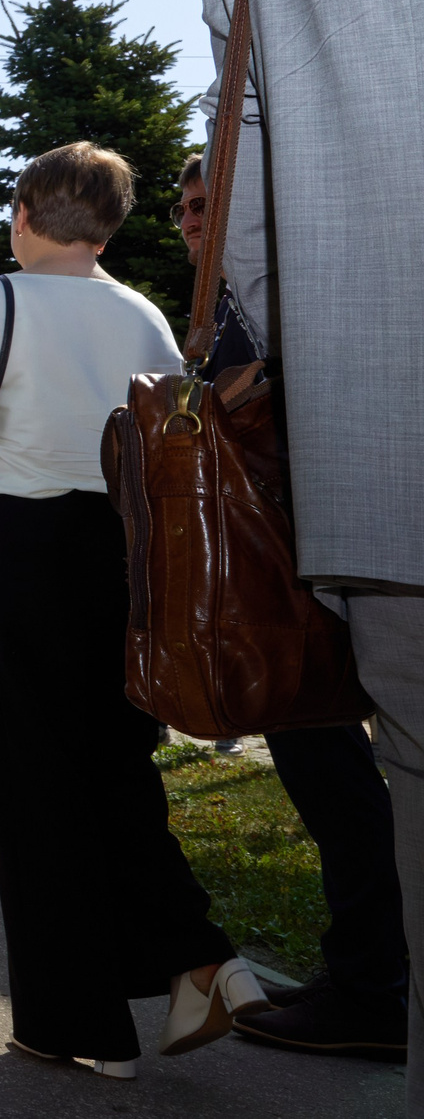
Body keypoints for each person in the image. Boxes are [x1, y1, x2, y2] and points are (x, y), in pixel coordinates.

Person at [0, 142, 263, 1078]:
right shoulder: (143, 311)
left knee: (37, 783)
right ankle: (203, 952)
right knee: (114, 764)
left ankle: (82, 1023)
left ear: (26, 211)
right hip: (121, 555)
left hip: (19, 546)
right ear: (108, 225)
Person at [171, 153, 408, 1057]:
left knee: (338, 779)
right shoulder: (226, 304)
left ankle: (372, 990)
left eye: (210, 205)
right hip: (295, 566)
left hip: (311, 569)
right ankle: (370, 975)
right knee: (336, 776)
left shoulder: (273, 294)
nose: (195, 220)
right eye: (187, 208)